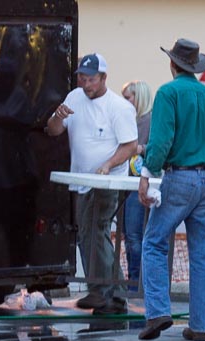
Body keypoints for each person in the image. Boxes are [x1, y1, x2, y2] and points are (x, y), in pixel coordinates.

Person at [137, 38, 205, 341]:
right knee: (202, 254)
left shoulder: (168, 93)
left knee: (154, 242)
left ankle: (158, 312)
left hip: (181, 177)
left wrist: (147, 174)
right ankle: (200, 326)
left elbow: (161, 140)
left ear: (172, 63)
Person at [46, 53, 138, 314]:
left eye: (91, 80)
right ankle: (115, 294)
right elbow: (53, 130)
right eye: (83, 78)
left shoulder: (118, 107)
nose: (86, 84)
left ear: (104, 78)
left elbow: (130, 145)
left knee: (94, 230)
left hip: (108, 181)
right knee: (91, 233)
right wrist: (56, 117)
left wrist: (108, 164)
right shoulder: (74, 98)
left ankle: (100, 290)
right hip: (82, 179)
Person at [121, 80, 153, 283]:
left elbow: (157, 149)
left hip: (139, 184)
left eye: (127, 98)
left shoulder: (149, 122)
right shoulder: (131, 121)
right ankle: (135, 280)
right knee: (129, 236)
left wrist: (141, 149)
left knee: (134, 236)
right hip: (127, 183)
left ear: (138, 98)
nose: (124, 102)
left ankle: (137, 282)